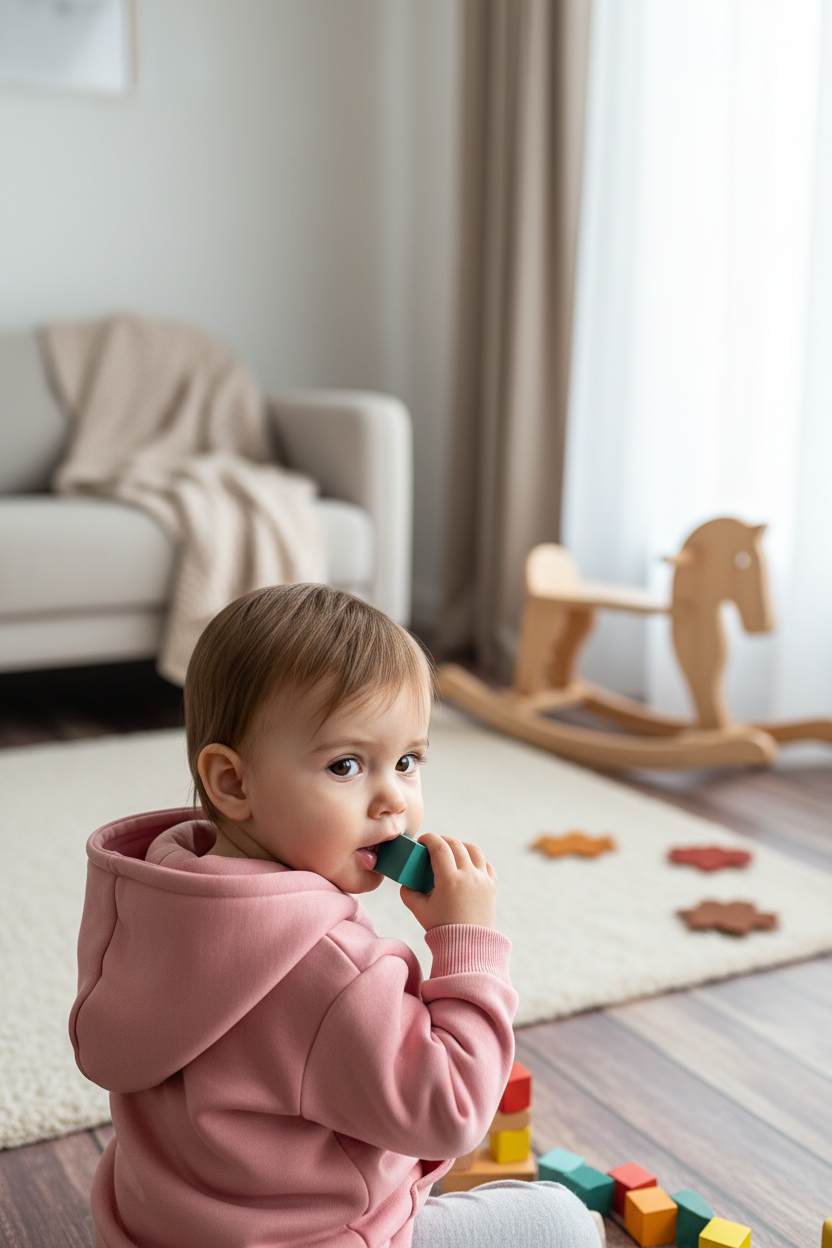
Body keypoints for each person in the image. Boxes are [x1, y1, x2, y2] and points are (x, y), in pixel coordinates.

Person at [70, 584, 602, 1248]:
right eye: (346, 765)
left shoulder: (149, 893)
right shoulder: (332, 970)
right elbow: (453, 1110)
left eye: (407, 762)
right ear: (233, 783)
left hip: (156, 1230)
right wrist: (468, 945)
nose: (393, 804)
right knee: (562, 1221)